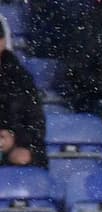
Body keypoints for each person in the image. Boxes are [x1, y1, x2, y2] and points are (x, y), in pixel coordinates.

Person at [0, 13, 45, 167]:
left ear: (2, 42)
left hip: (13, 151)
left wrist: (14, 138)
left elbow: (35, 122)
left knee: (25, 158)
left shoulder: (20, 78)